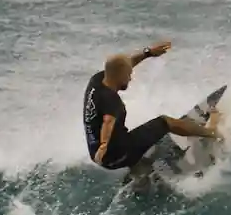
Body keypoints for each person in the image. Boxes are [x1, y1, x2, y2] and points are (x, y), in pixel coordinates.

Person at [82, 40, 219, 172]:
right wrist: (104, 146)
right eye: (129, 75)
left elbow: (124, 65)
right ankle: (211, 132)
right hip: (113, 154)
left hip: (96, 151)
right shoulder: (111, 100)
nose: (130, 78)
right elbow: (108, 121)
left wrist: (148, 53)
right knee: (166, 122)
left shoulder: (97, 81)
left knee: (124, 136)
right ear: (120, 75)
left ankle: (137, 166)